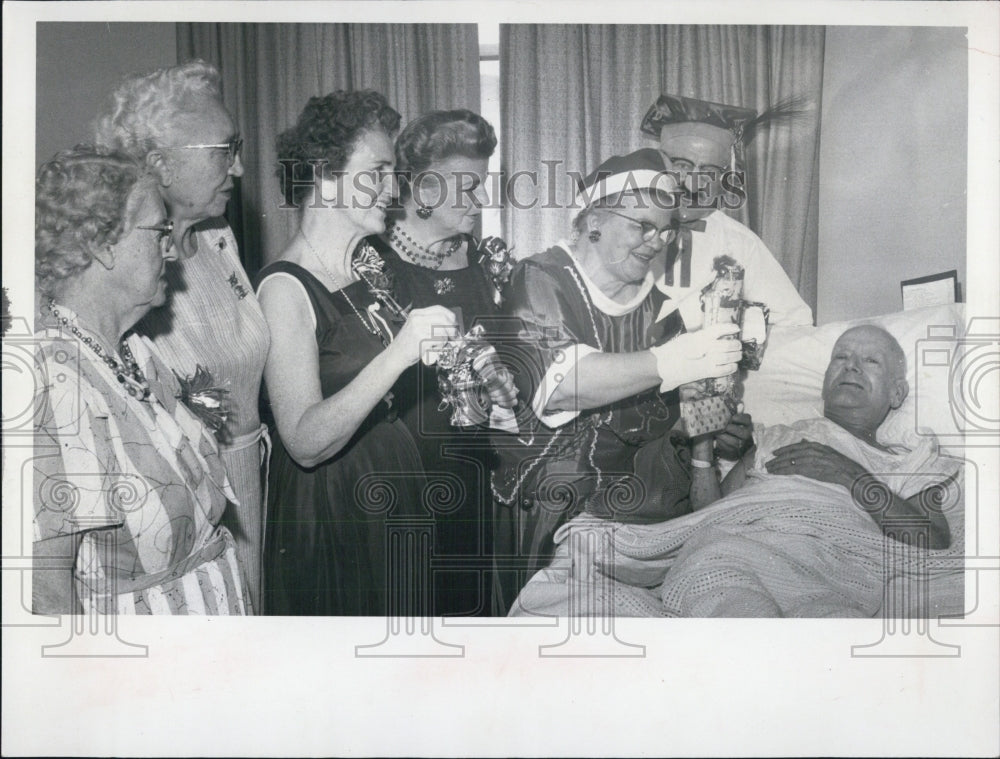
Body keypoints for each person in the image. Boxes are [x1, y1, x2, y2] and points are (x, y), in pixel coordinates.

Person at [511, 325, 960, 618]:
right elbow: (710, 513)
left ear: (898, 394)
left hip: (836, 569)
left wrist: (849, 474)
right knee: (722, 582)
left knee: (826, 627)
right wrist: (702, 446)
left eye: (871, 361)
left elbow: (931, 537)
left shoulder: (911, 459)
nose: (851, 367)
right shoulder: (777, 436)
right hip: (736, 550)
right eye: (841, 358)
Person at [490, 148, 745, 611]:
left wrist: (707, 427)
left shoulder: (663, 310)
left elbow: (666, 428)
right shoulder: (540, 277)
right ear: (595, 221)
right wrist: (675, 362)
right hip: (550, 511)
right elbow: (561, 382)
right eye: (641, 225)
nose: (656, 240)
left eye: (666, 229)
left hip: (638, 518)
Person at [256, 90, 459, 615]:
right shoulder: (284, 289)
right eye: (379, 171)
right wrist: (399, 355)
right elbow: (302, 440)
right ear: (325, 175)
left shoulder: (366, 270)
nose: (394, 191)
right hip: (332, 512)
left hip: (390, 489)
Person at [33, 146, 250, 615]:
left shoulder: (134, 348)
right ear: (101, 244)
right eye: (158, 232)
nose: (172, 249)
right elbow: (47, 595)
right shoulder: (54, 383)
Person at [94, 60, 270, 612]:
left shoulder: (219, 237)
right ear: (159, 165)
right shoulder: (126, 268)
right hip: (182, 506)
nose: (238, 168)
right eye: (224, 151)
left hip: (250, 480)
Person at [370, 109, 505, 616]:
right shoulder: (369, 261)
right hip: (400, 477)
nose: (481, 200)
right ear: (424, 190)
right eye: (468, 187)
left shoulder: (484, 260)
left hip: (474, 474)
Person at [639, 93, 814, 329]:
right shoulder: (629, 228)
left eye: (709, 171)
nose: (694, 183)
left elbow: (794, 321)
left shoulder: (740, 243)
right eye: (682, 165)